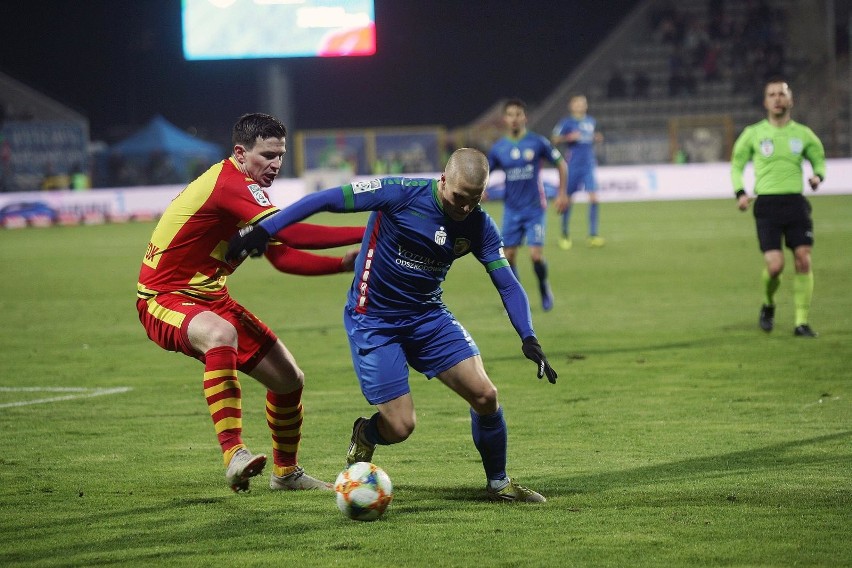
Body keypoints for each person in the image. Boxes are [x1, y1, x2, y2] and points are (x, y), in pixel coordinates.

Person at [227, 148, 559, 503]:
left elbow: (506, 282)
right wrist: (264, 229)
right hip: (374, 320)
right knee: (401, 427)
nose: (464, 208)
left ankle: (499, 484)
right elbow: (325, 199)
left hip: (428, 317)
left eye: (474, 200)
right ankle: (367, 434)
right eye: (459, 197)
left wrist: (529, 336)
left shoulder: (479, 224)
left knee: (486, 395)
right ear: (443, 180)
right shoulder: (400, 192)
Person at [136, 112, 365, 492]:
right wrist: (372, 229)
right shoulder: (230, 183)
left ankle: (286, 474)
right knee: (220, 334)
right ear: (240, 153)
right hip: (164, 297)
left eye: (280, 156)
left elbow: (282, 255)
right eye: (267, 155)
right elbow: (291, 234)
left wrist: (343, 264)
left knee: (290, 380)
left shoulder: (247, 190)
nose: (275, 164)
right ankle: (234, 454)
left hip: (210, 297)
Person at [730, 79, 826, 337]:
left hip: (795, 203)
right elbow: (737, 165)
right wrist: (740, 192)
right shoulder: (753, 133)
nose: (777, 99)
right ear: (765, 102)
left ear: (790, 100)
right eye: (772, 95)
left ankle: (801, 322)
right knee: (775, 266)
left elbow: (819, 159)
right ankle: (768, 303)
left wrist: (817, 177)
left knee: (803, 259)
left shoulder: (803, 134)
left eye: (781, 94)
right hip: (767, 205)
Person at [486, 98, 567, 312]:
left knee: (535, 256)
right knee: (509, 257)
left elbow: (561, 164)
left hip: (534, 208)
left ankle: (543, 287)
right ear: (505, 119)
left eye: (518, 114)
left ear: (525, 117)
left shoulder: (537, 142)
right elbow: (485, 172)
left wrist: (561, 194)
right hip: (511, 209)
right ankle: (516, 298)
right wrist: (481, 189)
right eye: (510, 115)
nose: (514, 119)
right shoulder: (499, 149)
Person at [551, 94, 605, 249]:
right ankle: (564, 235)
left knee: (594, 198)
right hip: (572, 166)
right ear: (571, 106)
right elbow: (554, 139)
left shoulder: (591, 121)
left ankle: (593, 235)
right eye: (578, 103)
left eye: (584, 103)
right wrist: (569, 137)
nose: (581, 105)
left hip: (588, 165)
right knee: (567, 200)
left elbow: (596, 136)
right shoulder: (566, 122)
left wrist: (597, 137)